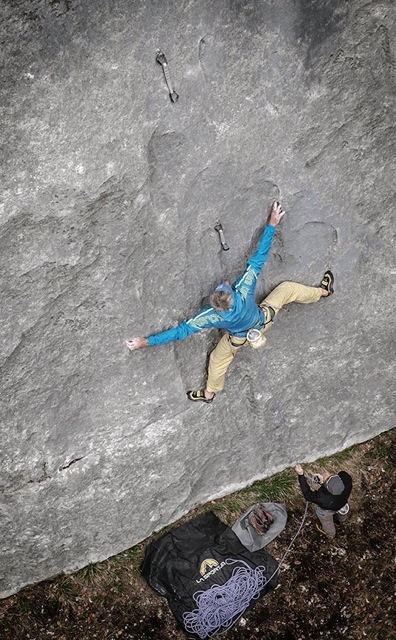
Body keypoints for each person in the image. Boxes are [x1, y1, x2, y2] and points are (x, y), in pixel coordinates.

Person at [126, 201, 334, 403]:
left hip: (239, 339)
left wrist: (145, 342)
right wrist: (272, 224)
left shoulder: (210, 316)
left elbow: (180, 332)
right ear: (231, 294)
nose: (225, 282)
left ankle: (209, 394)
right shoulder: (243, 290)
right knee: (287, 289)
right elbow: (260, 258)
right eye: (225, 286)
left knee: (218, 360)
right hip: (264, 319)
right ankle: (322, 292)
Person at [294, 464, 353, 537]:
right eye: (330, 475)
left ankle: (331, 534)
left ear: (327, 487)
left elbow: (307, 495)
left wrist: (300, 475)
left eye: (326, 478)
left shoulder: (322, 498)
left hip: (328, 511)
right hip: (342, 502)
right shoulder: (347, 480)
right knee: (342, 511)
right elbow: (341, 475)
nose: (326, 473)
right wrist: (323, 482)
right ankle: (342, 519)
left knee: (327, 522)